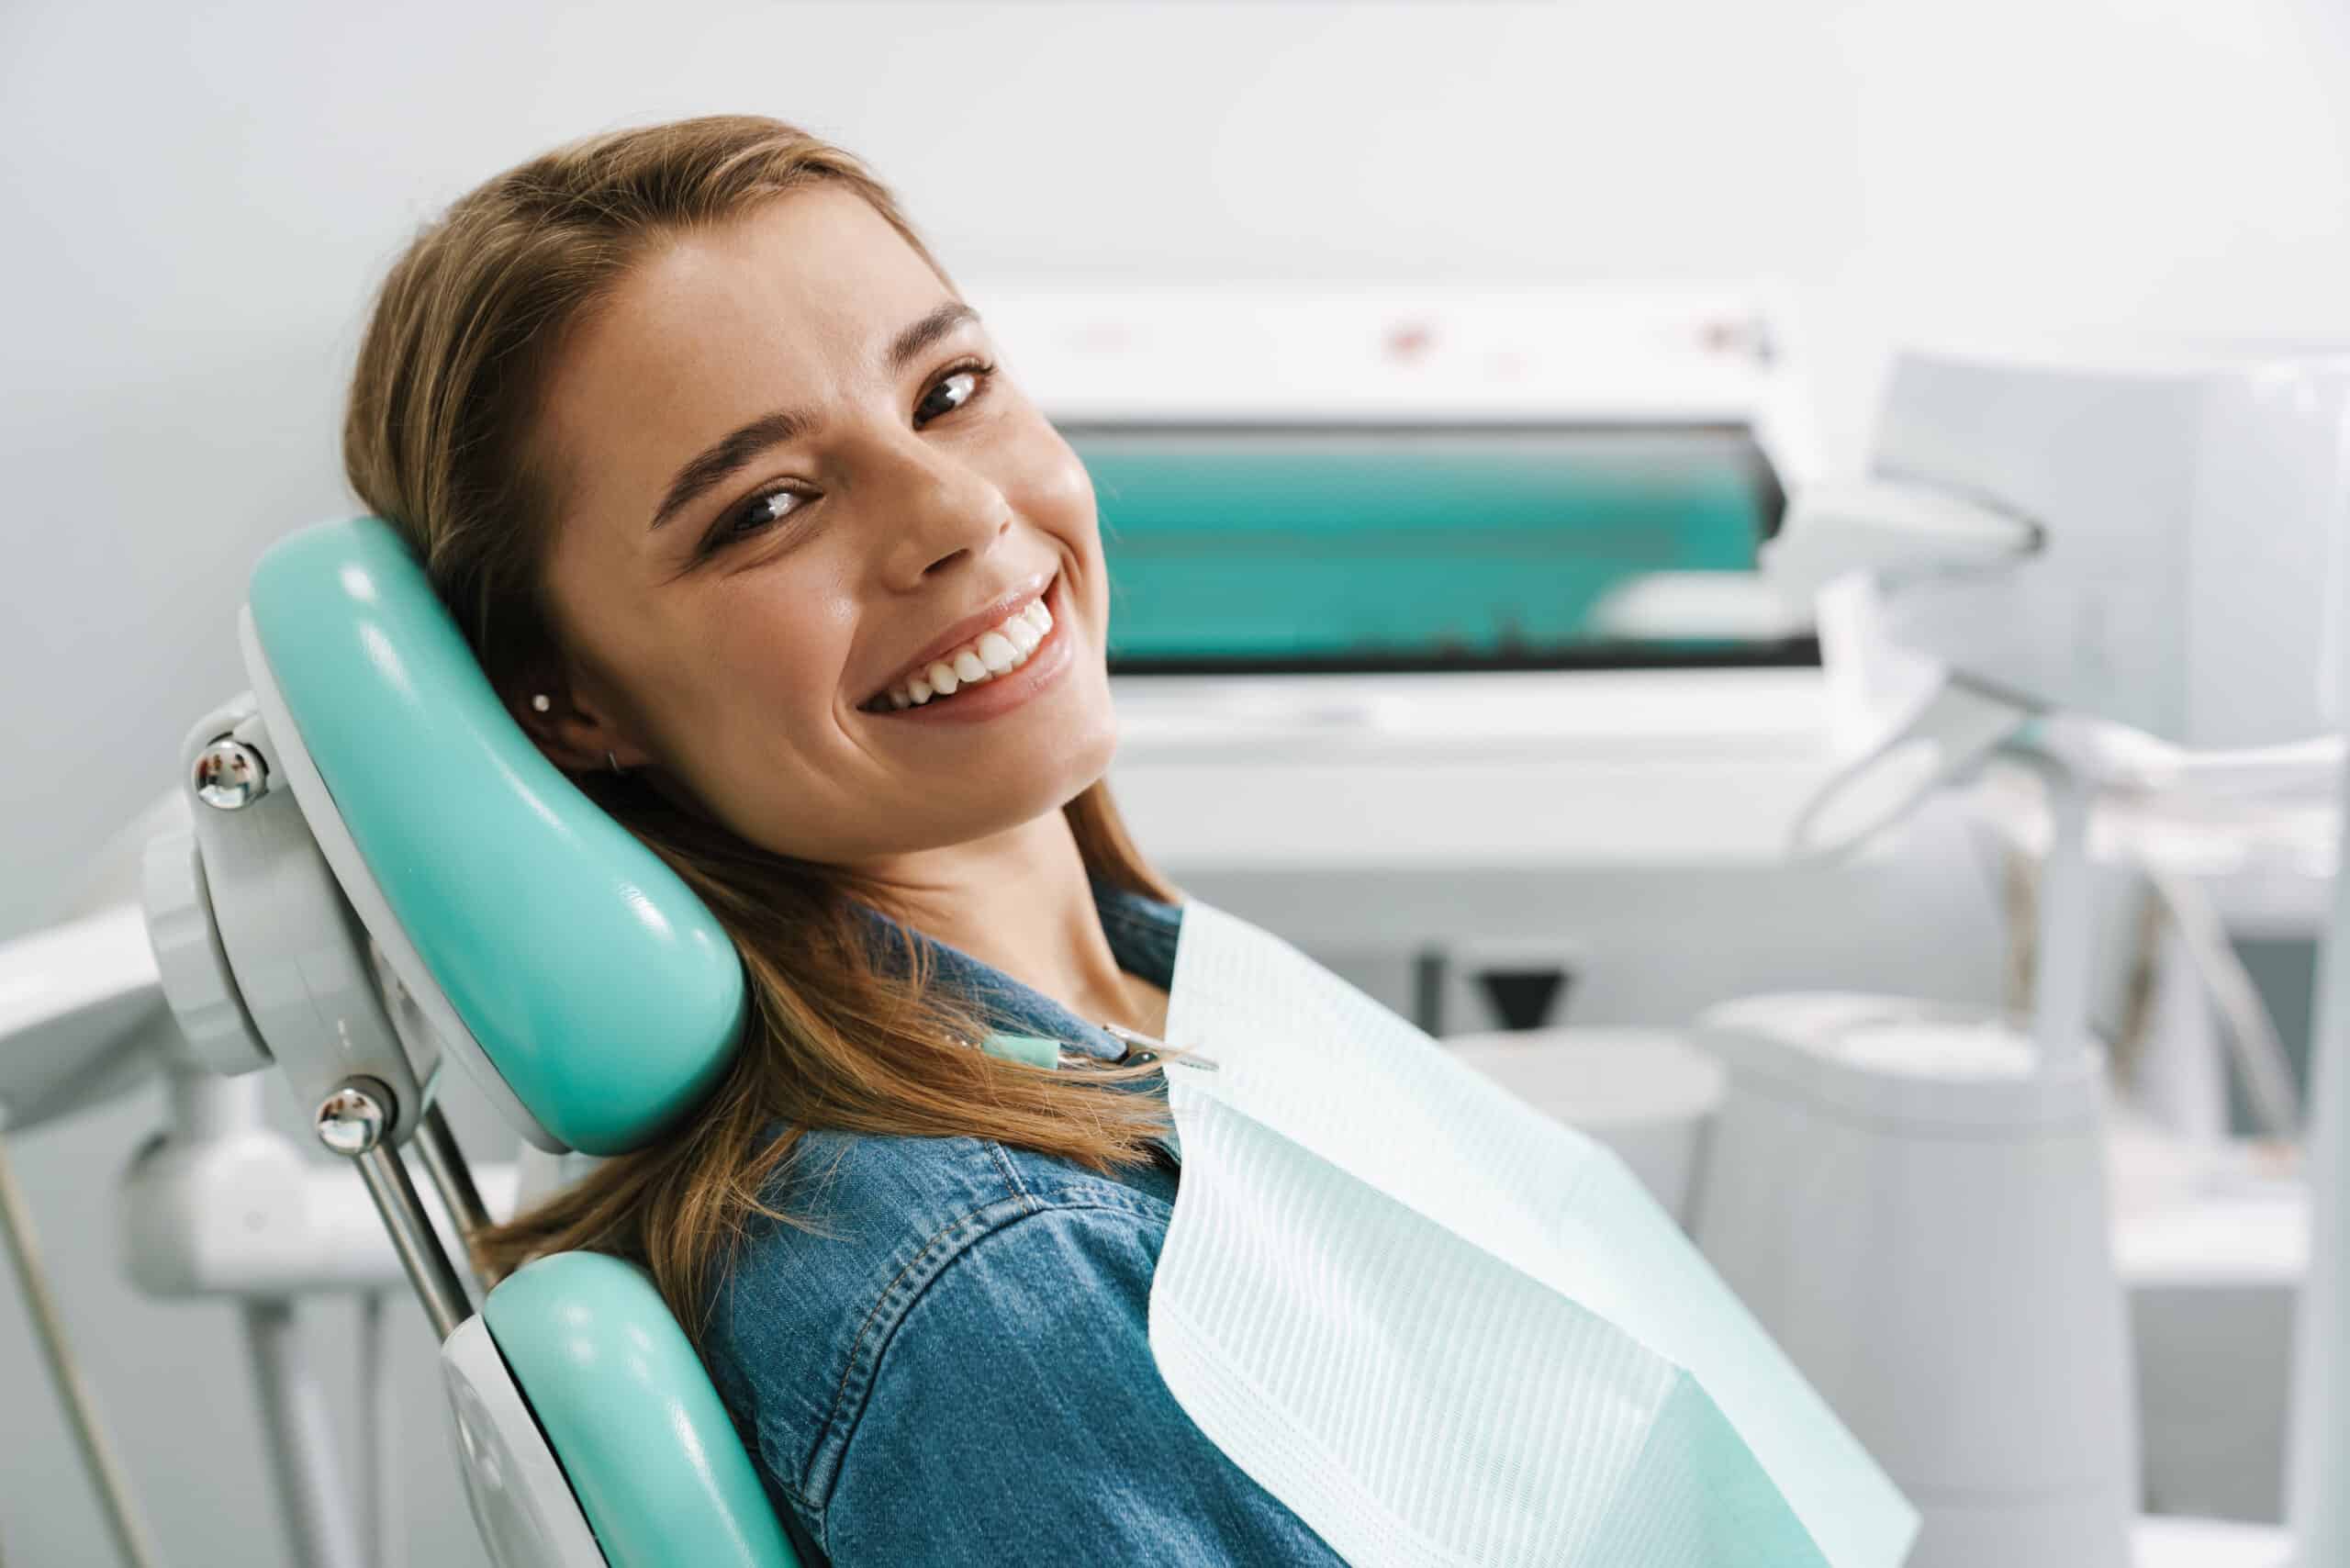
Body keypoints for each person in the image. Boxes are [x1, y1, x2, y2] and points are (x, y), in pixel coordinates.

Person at [341, 116, 1347, 1564]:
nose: (958, 510)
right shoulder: (1000, 1293)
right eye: (766, 508)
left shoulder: (1172, 1007)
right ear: (569, 704)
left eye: (949, 389)